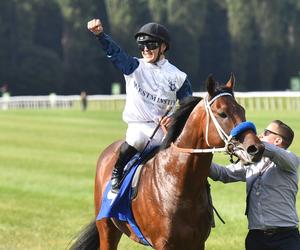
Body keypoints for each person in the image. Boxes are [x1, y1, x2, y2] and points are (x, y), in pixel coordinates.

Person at [87, 19, 192, 193]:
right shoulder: (133, 67)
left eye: (150, 45)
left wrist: (174, 119)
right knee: (136, 140)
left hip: (165, 130)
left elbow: (187, 106)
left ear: (163, 47)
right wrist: (100, 35)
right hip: (139, 126)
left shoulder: (179, 76)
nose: (145, 50)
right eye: (141, 45)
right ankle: (116, 171)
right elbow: (115, 53)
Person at [209, 120, 300, 250]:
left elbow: (273, 152)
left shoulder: (291, 160)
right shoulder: (253, 163)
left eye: (266, 132)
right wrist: (197, 159)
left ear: (278, 141)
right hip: (255, 238)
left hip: (285, 238)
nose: (260, 135)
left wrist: (249, 139)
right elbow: (223, 174)